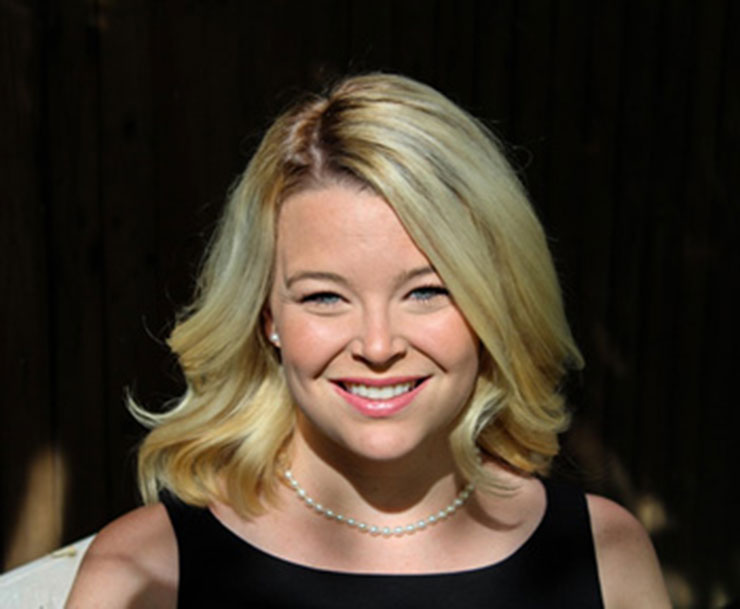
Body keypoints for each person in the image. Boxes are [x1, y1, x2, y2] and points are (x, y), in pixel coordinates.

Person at [66, 73, 670, 608]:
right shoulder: (143, 574)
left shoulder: (604, 554)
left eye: (427, 292)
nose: (378, 346)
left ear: (494, 304)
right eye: (325, 297)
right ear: (266, 317)